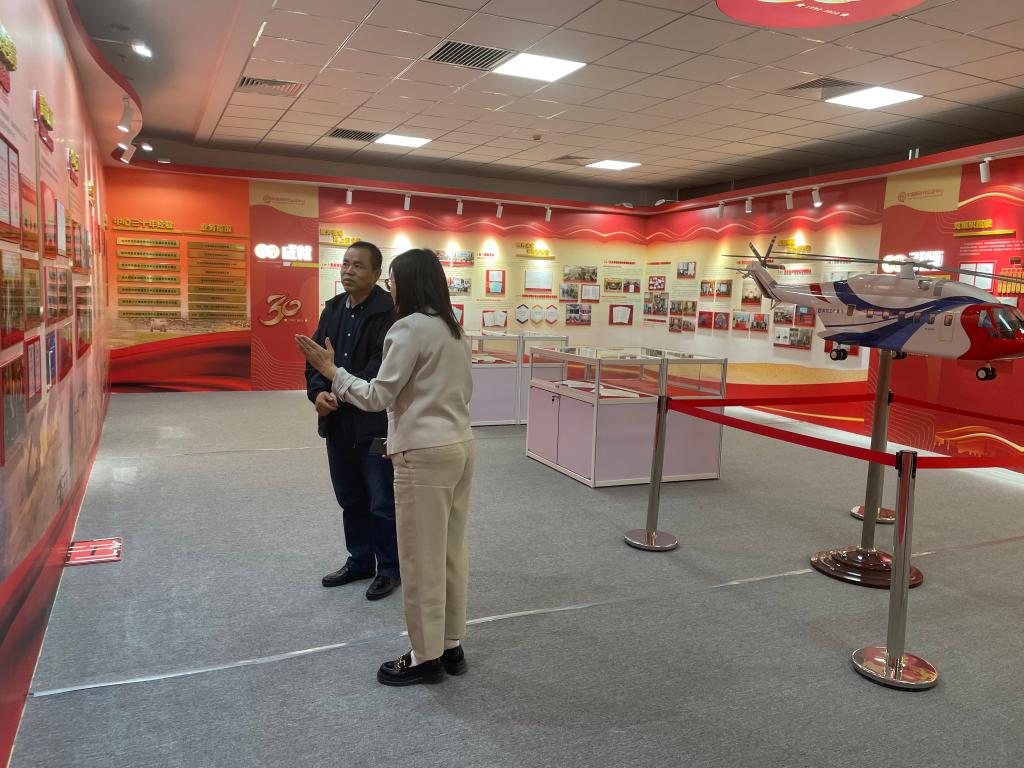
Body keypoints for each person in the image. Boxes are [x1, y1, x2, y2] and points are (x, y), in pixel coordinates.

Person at [296, 248, 474, 687]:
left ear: (404, 283)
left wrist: (332, 371)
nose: (390, 289)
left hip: (423, 453)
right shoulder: (452, 328)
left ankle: (425, 657)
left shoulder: (408, 328)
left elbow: (378, 396)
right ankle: (450, 643)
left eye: (391, 280)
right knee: (450, 553)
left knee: (419, 559)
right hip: (459, 447)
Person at [305, 241, 400, 601]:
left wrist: (338, 389)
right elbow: (316, 360)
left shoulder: (389, 314)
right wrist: (318, 394)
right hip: (339, 424)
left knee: (381, 500)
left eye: (358, 265)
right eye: (345, 264)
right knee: (349, 497)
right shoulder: (332, 309)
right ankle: (360, 560)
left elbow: (380, 372)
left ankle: (389, 567)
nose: (348, 271)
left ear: (376, 274)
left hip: (376, 426)